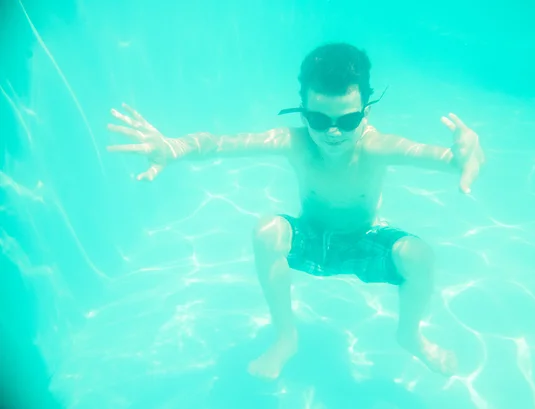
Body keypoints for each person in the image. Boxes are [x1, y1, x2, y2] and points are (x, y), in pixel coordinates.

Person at [106, 43, 485, 380]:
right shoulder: (295, 144)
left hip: (365, 241)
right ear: (303, 113)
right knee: (267, 230)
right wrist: (172, 148)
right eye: (320, 120)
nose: (333, 133)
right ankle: (285, 338)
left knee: (420, 255)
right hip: (312, 240)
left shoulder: (376, 147)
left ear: (365, 113)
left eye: (348, 120)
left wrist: (469, 153)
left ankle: (411, 335)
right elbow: (221, 144)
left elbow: (449, 159)